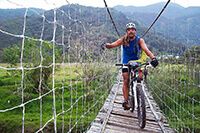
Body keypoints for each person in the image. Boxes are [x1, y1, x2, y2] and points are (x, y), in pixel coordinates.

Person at [104, 22, 158, 110]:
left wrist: (153, 58)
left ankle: (138, 92)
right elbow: (113, 45)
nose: (131, 31)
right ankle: (126, 101)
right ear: (126, 32)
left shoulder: (139, 40)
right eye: (129, 30)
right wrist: (106, 45)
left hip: (137, 62)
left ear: (135, 31)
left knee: (140, 77)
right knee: (126, 79)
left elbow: (146, 49)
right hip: (126, 62)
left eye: (132, 29)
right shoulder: (123, 40)